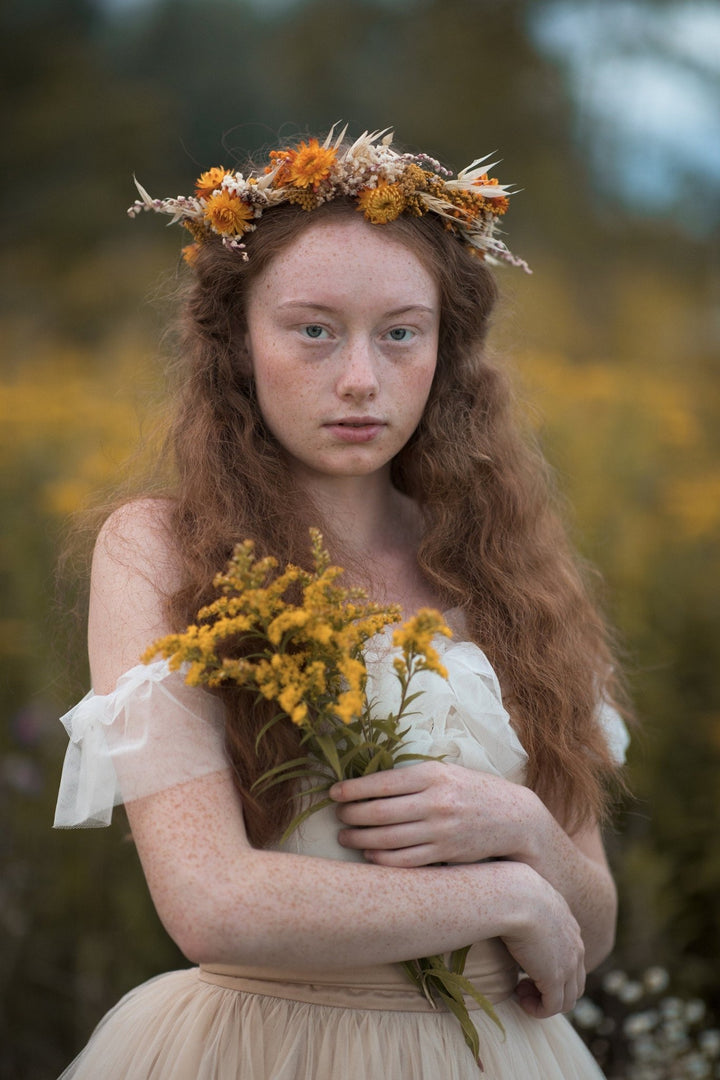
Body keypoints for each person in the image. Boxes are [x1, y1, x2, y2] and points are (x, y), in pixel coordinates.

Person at [54, 127, 630, 1079]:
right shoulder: (162, 550)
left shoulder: (506, 569)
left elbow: (595, 928)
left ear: (446, 349)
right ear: (240, 341)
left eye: (401, 332)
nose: (361, 378)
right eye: (313, 329)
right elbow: (213, 906)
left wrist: (528, 833)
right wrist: (512, 900)